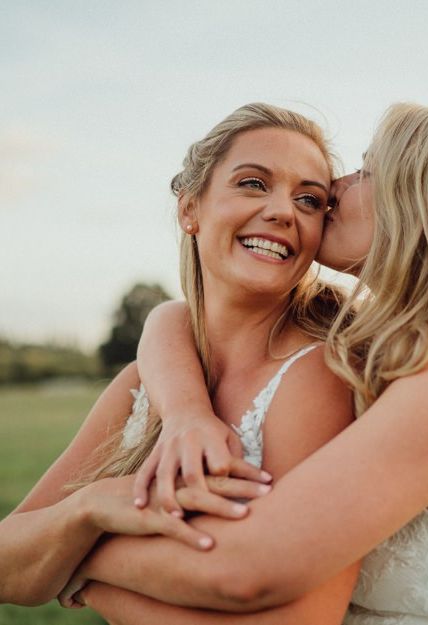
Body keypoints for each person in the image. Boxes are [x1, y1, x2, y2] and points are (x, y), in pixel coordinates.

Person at [59, 103, 428, 625]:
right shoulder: (404, 360)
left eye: (365, 172)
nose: (336, 189)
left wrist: (78, 547)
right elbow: (177, 319)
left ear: (420, 203)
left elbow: (248, 567)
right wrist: (184, 411)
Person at [0, 103, 361, 624]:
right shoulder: (147, 380)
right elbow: (10, 561)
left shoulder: (316, 377)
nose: (284, 211)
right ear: (190, 208)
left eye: (309, 199)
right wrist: (90, 507)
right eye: (254, 184)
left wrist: (79, 562)